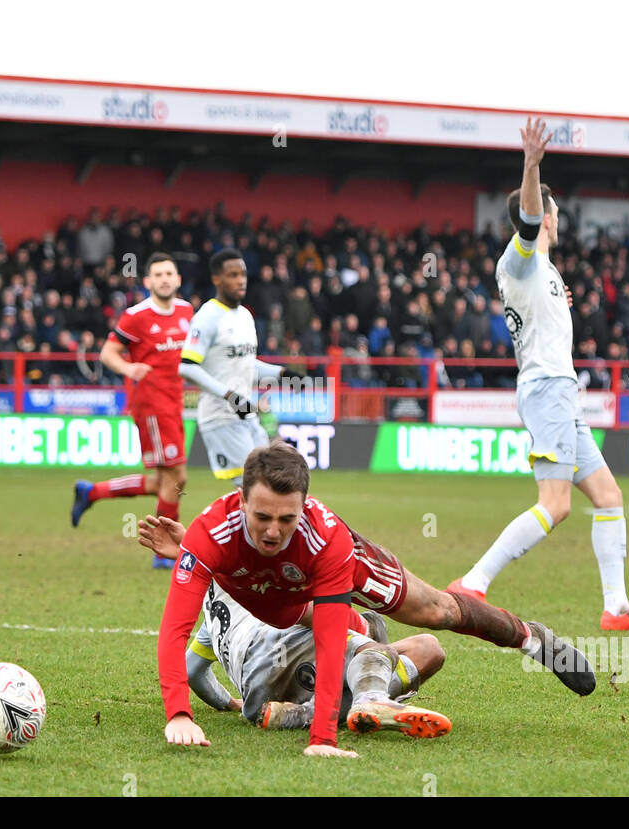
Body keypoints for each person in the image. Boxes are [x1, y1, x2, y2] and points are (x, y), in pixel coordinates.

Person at [153, 441, 594, 757]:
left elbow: (328, 639)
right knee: (334, 629)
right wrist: (178, 715)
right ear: (240, 501)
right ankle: (365, 685)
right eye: (262, 517)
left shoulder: (326, 539)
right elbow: (173, 631)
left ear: (305, 507)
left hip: (340, 571)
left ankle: (531, 639)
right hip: (287, 604)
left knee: (437, 611)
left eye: (286, 519)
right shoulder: (208, 535)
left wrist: (322, 739)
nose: (273, 530)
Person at [448, 118, 629, 632]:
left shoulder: (545, 272)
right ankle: (473, 582)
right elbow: (526, 220)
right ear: (545, 215)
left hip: (561, 394)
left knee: (609, 496)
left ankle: (616, 608)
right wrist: (531, 165)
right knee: (556, 505)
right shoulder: (521, 258)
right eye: (553, 209)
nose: (556, 215)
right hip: (546, 391)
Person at [156, 568, 452, 739]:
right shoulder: (251, 570)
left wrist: (228, 703)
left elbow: (192, 670)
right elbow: (309, 613)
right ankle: (371, 699)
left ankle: (303, 713)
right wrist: (362, 630)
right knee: (399, 648)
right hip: (274, 643)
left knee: (425, 647)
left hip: (257, 693)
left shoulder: (211, 616)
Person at [71, 254, 194, 569]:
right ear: (148, 281)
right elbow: (107, 352)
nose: (164, 279)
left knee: (162, 481)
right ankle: (163, 551)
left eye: (169, 273)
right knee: (176, 476)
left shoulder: (186, 312)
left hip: (175, 400)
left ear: (178, 279)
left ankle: (91, 493)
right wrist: (129, 367)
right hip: (151, 404)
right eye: (158, 274)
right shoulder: (136, 316)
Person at [177, 249, 281, 483]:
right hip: (220, 416)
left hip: (246, 413)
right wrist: (229, 395)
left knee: (269, 483)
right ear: (217, 279)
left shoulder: (245, 315)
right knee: (254, 486)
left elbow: (244, 365)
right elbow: (186, 367)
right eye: (232, 275)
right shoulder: (207, 317)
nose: (240, 280)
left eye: (243, 274)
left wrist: (281, 374)